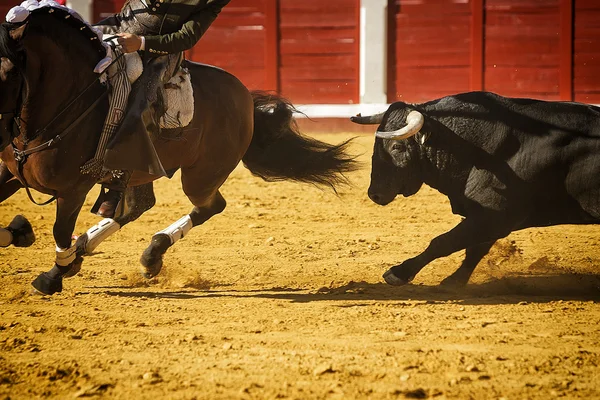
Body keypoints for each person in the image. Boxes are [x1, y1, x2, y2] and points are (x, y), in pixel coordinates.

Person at [91, 0, 231, 218]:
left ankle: (117, 182)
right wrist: (94, 30)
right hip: (117, 30)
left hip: (159, 54)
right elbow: (128, 14)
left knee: (140, 101)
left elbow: (187, 37)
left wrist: (142, 43)